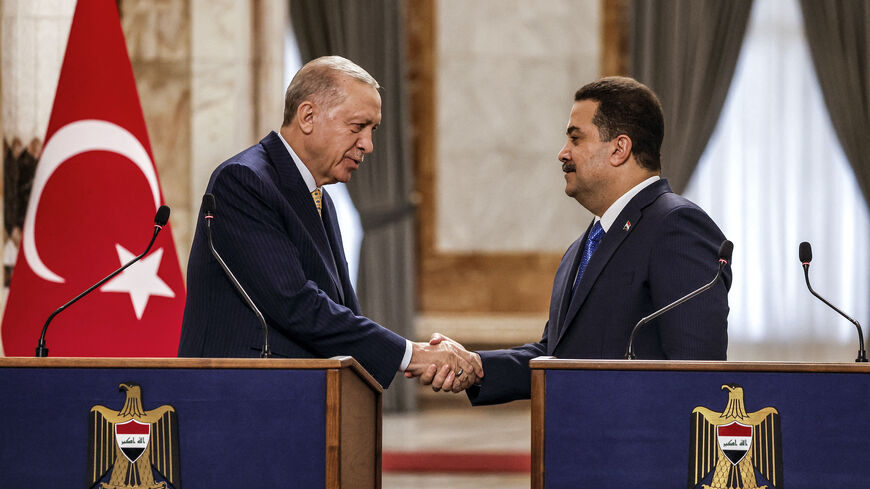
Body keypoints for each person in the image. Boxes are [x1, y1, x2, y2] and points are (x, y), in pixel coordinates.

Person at [417, 76, 730, 404]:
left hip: (638, 449)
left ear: (619, 148)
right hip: (575, 446)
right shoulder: (585, 246)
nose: (562, 153)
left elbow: (697, 373)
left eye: (575, 139)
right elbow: (557, 356)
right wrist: (478, 367)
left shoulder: (676, 225)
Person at [178, 56, 481, 389]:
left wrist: (405, 354)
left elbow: (340, 311)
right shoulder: (245, 181)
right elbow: (295, 304)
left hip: (298, 398)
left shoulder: (321, 200)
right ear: (308, 116)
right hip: (237, 397)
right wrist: (412, 354)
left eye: (372, 130)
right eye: (357, 127)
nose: (368, 144)